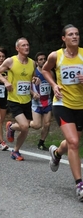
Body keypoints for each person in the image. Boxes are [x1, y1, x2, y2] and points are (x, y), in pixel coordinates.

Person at [42, 24, 83, 201]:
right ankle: (80, 185)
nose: (75, 37)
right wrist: (53, 84)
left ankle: (57, 153)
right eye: (71, 34)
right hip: (62, 104)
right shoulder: (55, 56)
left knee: (72, 141)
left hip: (80, 105)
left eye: (77, 34)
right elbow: (45, 69)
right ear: (63, 39)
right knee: (74, 142)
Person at [0, 38, 37, 161]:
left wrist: (35, 80)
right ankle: (14, 142)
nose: (26, 47)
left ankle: (14, 145)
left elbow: (32, 77)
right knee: (24, 126)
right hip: (14, 99)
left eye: (28, 45)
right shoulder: (10, 61)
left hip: (27, 99)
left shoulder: (32, 63)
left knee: (26, 126)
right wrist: (6, 81)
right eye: (23, 45)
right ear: (17, 48)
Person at [29, 52, 54, 151]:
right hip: (36, 103)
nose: (43, 61)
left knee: (47, 124)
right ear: (36, 62)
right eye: (40, 59)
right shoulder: (34, 73)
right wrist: (33, 93)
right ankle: (25, 124)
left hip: (47, 102)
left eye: (44, 59)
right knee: (36, 125)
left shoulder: (50, 72)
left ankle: (41, 143)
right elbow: (27, 86)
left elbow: (53, 85)